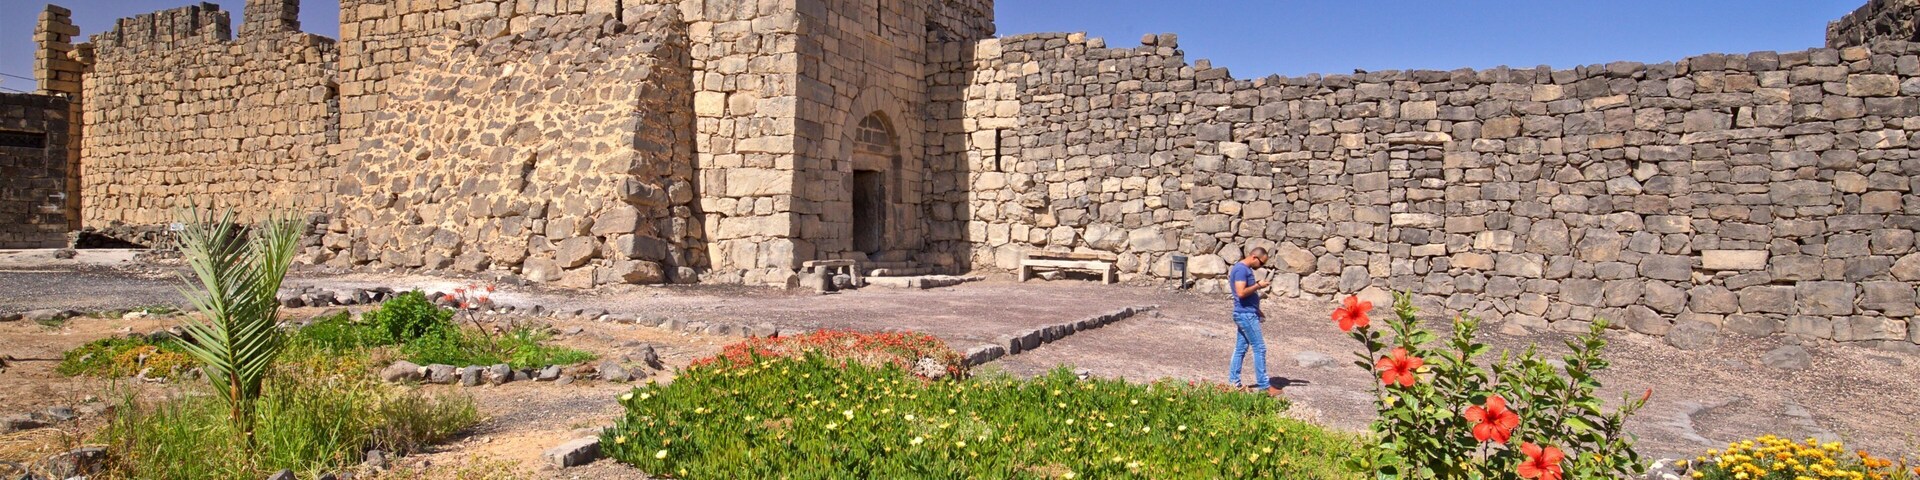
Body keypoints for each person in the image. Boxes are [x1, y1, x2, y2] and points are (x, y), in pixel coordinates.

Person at [1227, 247, 1280, 396]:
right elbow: (1241, 292)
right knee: (1260, 348)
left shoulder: (1245, 269)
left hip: (1247, 313)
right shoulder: (1241, 270)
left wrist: (1257, 309)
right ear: (1254, 257)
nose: (1261, 267)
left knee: (1240, 348)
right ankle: (1264, 386)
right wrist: (1258, 285)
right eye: (1261, 263)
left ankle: (1234, 383)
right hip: (1245, 315)